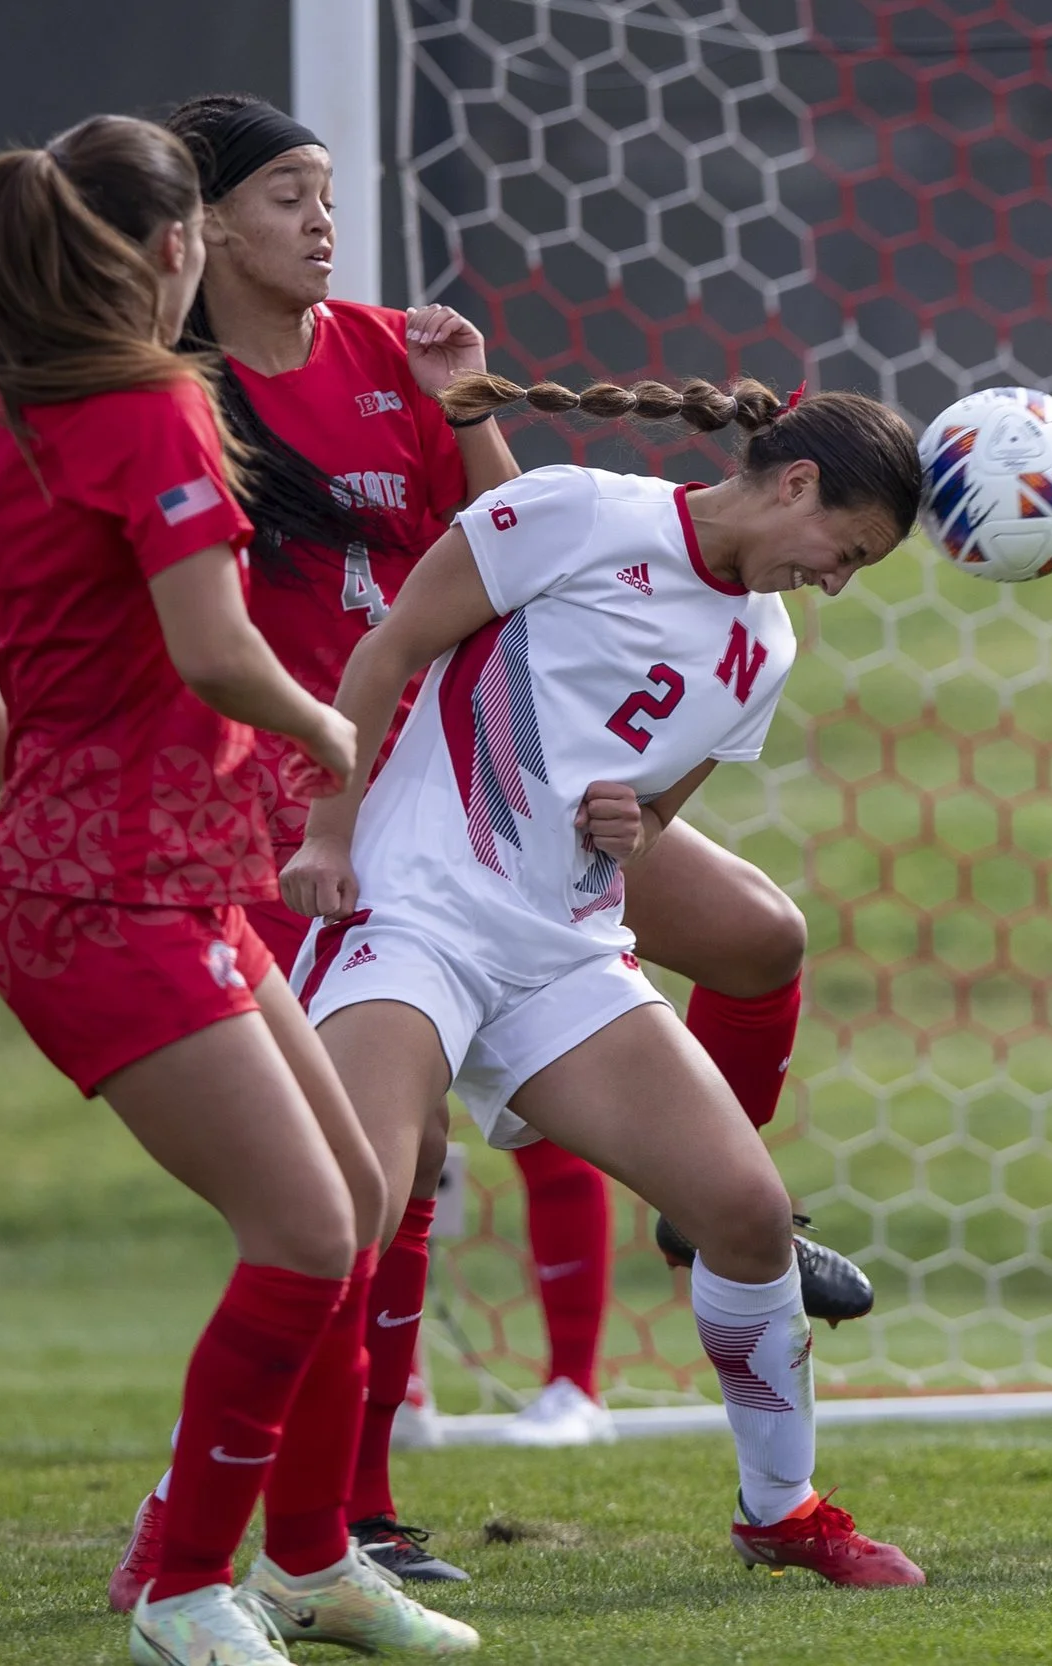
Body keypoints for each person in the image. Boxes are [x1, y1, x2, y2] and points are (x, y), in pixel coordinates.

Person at [105, 94, 867, 1603]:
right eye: (288, 199)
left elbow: (516, 532)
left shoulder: (398, 352)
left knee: (761, 944)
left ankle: (700, 1232)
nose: (324, 221)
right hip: (310, 793)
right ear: (199, 229)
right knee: (365, 1192)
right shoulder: (154, 391)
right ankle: (331, 1516)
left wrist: (466, 407)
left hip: (479, 798)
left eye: (330, 192)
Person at [0, 115, 473, 1663]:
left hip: (130, 874)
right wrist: (325, 726)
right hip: (116, 896)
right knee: (312, 1228)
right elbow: (211, 647)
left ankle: (313, 1559)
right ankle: (184, 1585)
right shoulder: (157, 407)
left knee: (368, 1202)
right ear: (179, 248)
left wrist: (61, 800)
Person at [280, 368, 928, 1587]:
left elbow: (646, 814)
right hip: (412, 911)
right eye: (842, 549)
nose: (835, 582)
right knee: (342, 1216)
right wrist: (327, 832)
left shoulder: (765, 648)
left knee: (745, 1216)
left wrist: (629, 819)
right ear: (793, 482)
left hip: (561, 952)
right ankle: (194, 1520)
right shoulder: (581, 511)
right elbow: (389, 649)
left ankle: (777, 1510)